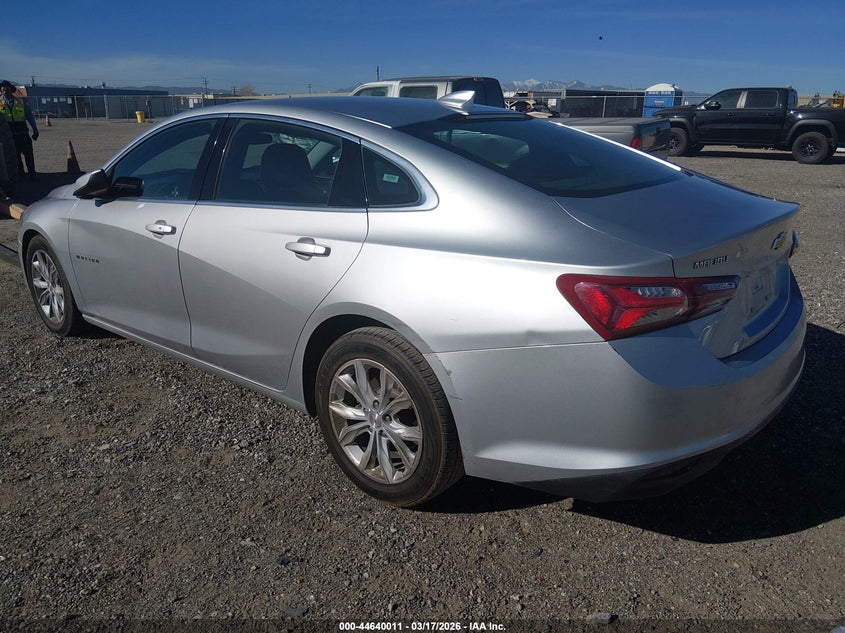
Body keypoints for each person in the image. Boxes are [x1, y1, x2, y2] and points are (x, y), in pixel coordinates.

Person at [0, 80, 39, 181]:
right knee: (15, 157)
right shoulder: (0, 103)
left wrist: (35, 129)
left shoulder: (20, 102)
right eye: (3, 89)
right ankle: (21, 175)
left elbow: (29, 116)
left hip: (23, 134)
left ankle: (32, 174)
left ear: (11, 90)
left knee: (28, 155)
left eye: (7, 88)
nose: (5, 90)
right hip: (9, 136)